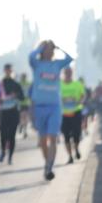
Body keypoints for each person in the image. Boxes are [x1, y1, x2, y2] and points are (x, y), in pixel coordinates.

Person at [28, 40, 74, 181]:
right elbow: (30, 57)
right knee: (43, 140)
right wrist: (40, 48)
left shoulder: (57, 64)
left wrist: (59, 48)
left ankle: (49, 167)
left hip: (54, 106)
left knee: (53, 137)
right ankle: (47, 162)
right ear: (42, 50)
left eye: (50, 49)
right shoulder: (37, 64)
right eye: (46, 49)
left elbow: (69, 58)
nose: (49, 51)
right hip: (40, 106)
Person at [0, 63, 25, 165]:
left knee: (12, 135)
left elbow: (22, 98)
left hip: (14, 112)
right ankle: (3, 152)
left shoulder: (16, 84)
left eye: (10, 70)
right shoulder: (0, 84)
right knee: (3, 134)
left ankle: (10, 157)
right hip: (3, 112)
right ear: (4, 70)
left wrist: (16, 95)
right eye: (6, 69)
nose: (8, 71)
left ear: (12, 71)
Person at [60, 68, 87, 163]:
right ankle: (70, 156)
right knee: (66, 136)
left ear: (72, 73)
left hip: (76, 112)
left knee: (77, 134)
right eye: (66, 73)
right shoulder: (59, 85)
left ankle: (76, 149)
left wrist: (80, 101)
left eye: (70, 73)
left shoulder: (78, 84)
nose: (68, 74)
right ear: (64, 74)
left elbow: (83, 96)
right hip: (64, 114)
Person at [18, 72, 31, 139]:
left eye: (24, 76)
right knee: (22, 117)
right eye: (23, 76)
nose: (24, 78)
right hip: (21, 103)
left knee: (25, 117)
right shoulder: (19, 83)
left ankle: (25, 131)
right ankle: (21, 125)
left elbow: (30, 92)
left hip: (27, 103)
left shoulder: (28, 83)